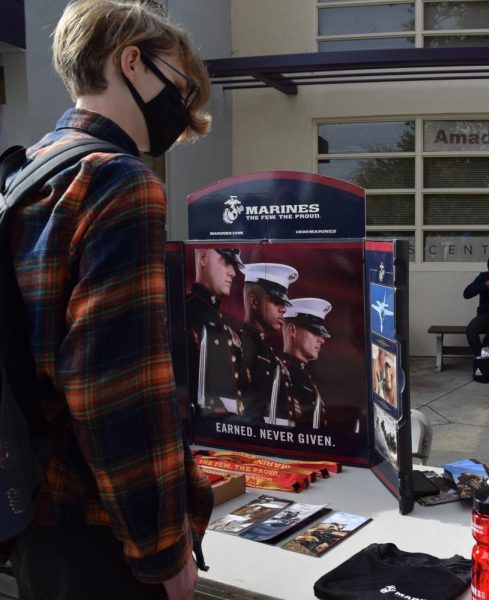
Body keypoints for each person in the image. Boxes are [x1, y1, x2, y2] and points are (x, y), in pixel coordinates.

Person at [6, 1, 214, 597]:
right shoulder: (118, 181)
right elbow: (117, 388)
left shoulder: (26, 170)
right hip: (103, 528)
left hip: (34, 508)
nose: (183, 107)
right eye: (180, 84)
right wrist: (163, 553)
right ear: (132, 62)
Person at [186, 249, 244, 417]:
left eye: (234, 265)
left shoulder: (228, 328)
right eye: (226, 261)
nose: (233, 272)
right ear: (203, 258)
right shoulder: (183, 313)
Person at [238, 263, 298, 423]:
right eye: (276, 301)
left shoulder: (271, 355)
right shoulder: (237, 346)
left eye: (284, 303)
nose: (284, 309)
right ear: (254, 302)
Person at [280, 298, 331, 429]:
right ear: (292, 330)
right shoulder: (281, 372)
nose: (322, 340)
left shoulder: (301, 375)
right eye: (315, 332)